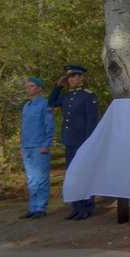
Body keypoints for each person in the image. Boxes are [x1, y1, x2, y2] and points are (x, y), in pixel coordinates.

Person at [48, 65, 99, 220]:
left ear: (82, 78)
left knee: (84, 173)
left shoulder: (88, 96)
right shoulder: (66, 96)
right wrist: (57, 86)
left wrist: (90, 142)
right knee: (72, 174)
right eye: (71, 77)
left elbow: (92, 121)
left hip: (83, 141)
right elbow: (51, 103)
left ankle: (87, 207)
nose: (74, 79)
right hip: (69, 141)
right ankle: (76, 207)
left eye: (77, 76)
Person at [19, 76, 54, 219]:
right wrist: (22, 146)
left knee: (41, 178)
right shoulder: (26, 106)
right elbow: (24, 128)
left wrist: (46, 144)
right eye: (27, 86)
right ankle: (32, 208)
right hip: (27, 147)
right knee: (31, 179)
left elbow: (49, 126)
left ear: (39, 88)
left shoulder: (45, 104)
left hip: (39, 146)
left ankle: (40, 208)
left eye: (32, 86)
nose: (29, 88)